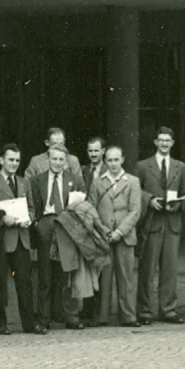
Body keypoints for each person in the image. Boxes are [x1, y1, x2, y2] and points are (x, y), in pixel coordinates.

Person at [0, 144, 44, 335]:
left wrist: (28, 219)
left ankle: (29, 323)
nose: (14, 164)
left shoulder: (24, 183)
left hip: (21, 239)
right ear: (1, 160)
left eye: (17, 160)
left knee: (25, 282)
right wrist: (1, 218)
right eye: (10, 159)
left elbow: (31, 207)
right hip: (0, 239)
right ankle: (0, 324)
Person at [135, 126, 185, 324]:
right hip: (151, 222)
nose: (164, 143)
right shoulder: (143, 166)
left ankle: (168, 310)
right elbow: (135, 190)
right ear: (155, 142)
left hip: (172, 223)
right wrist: (149, 200)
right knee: (147, 269)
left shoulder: (180, 167)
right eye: (161, 140)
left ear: (172, 143)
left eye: (168, 140)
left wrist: (179, 204)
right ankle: (145, 311)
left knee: (169, 269)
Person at [31, 145, 87, 330]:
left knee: (67, 273)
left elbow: (82, 207)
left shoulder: (76, 180)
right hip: (46, 225)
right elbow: (32, 205)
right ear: (48, 160)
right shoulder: (37, 180)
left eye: (61, 160)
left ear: (66, 162)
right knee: (45, 275)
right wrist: (38, 224)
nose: (57, 163)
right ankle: (43, 319)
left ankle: (70, 315)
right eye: (54, 159)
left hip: (66, 227)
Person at [88, 145, 142, 327]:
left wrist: (119, 232)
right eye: (109, 160)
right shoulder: (97, 182)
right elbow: (91, 209)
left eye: (116, 160)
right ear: (105, 161)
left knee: (126, 277)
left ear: (123, 160)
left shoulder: (132, 181)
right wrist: (103, 230)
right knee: (104, 277)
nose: (113, 164)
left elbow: (135, 210)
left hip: (124, 237)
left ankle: (128, 316)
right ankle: (102, 316)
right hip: (104, 237)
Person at [79, 135, 107, 323]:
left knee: (102, 268)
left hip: (103, 223)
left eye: (96, 150)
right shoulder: (82, 171)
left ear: (103, 151)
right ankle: (87, 311)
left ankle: (100, 312)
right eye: (90, 151)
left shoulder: (110, 169)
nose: (93, 154)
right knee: (88, 269)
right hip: (87, 224)